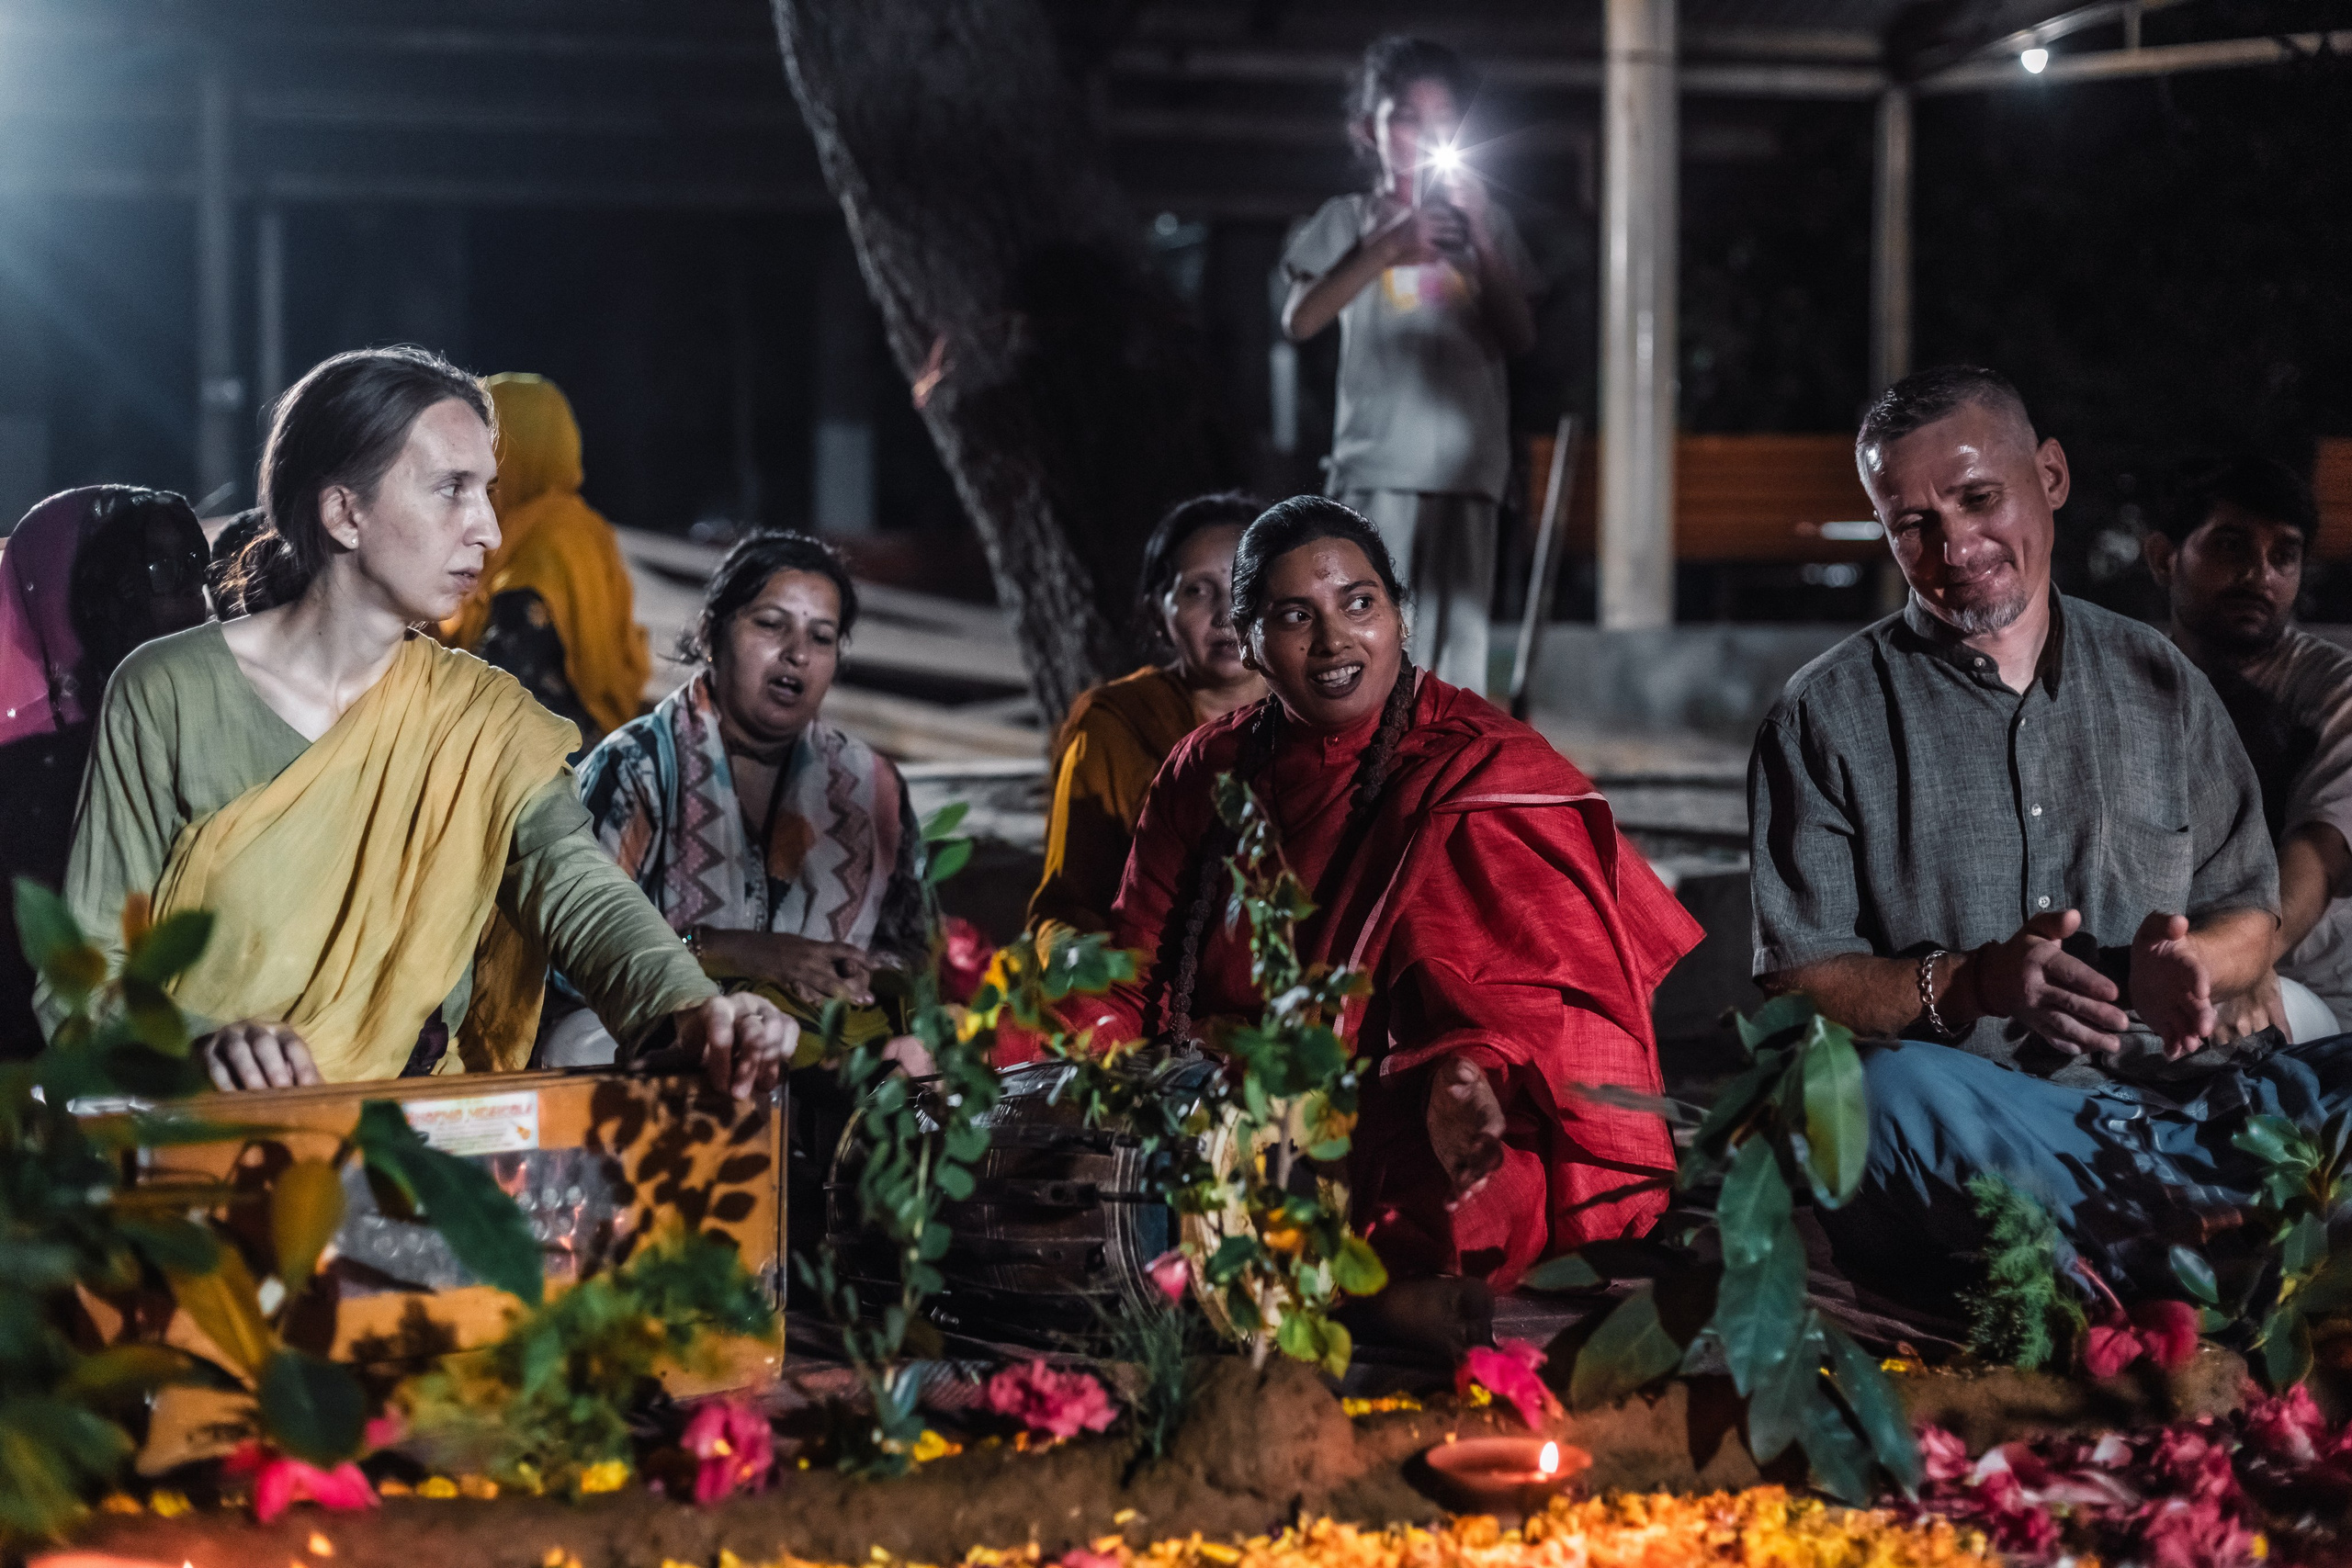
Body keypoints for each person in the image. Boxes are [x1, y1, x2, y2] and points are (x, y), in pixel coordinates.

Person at [1747, 366, 2346, 1305]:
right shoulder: (1824, 715)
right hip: (1988, 1124)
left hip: (2187, 1105)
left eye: (1979, 499)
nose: (1956, 546)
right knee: (1868, 1100)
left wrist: (2194, 965)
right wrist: (1975, 983)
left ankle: (2140, 1245)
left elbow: (2249, 912)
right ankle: (2210, 1245)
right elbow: (1796, 985)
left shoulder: (2162, 680)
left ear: (2052, 476)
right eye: (1913, 523)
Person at [46, 346, 793, 1099]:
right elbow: (82, 978)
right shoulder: (169, 692)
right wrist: (197, 1046)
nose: (490, 530)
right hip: (199, 1139)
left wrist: (693, 1010)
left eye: (488, 492)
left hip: (408, 1143)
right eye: (451, 490)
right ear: (345, 512)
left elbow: (577, 886)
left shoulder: (481, 720)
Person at [1073, 497, 1700, 1350]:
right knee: (1093, 1161)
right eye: (1296, 617)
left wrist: (1466, 1069)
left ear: (1401, 617)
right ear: (1251, 643)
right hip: (1224, 1100)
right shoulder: (1204, 768)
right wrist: (1057, 1062)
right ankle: (1364, 1301)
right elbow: (1132, 967)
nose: (1335, 641)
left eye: (1359, 603)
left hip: (1407, 1114)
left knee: (1479, 1203)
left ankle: (1347, 1290)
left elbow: (1549, 986)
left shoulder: (1481, 761)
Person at [571, 530, 927, 1039]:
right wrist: (728, 950)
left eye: (821, 637)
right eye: (770, 624)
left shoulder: (872, 788)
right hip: (661, 1044)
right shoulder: (636, 766)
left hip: (819, 1051)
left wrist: (867, 981)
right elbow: (571, 951)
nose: (797, 654)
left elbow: (913, 955)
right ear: (709, 635)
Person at [1278, 36, 1539, 696]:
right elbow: (1300, 319)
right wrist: (1389, 246)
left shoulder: (1488, 222)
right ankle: (1367, 761)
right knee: (1364, 643)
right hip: (1375, 467)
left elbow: (1519, 334)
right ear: (1369, 129)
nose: (1423, 134)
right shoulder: (1350, 219)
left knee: (1456, 657)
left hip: (1466, 470)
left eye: (1441, 119)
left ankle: (1446, 763)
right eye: (1406, 118)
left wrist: (1480, 236)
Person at [2145, 457, 2351, 1042]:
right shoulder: (2125, 677)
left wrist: (2242, 957)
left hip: (2301, 977)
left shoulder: (2333, 690)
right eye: (2231, 547)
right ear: (2164, 558)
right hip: (2164, 963)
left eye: (2284, 556)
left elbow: (2323, 849)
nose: (2260, 575)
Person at [1, 487, 210, 1052]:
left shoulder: (212, 726)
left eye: (195, 562)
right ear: (74, 600)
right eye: (156, 569)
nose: (193, 591)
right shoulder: (20, 784)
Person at [1028, 491, 1269, 932]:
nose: (1226, 614)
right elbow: (1068, 909)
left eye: (1244, 585)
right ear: (1158, 613)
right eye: (1197, 590)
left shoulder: (1320, 718)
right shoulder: (1113, 729)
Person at [439, 373, 650, 750]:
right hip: (598, 745)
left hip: (541, 764)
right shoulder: (586, 528)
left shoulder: (538, 553)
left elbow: (491, 686)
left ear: (514, 450)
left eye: (487, 440)